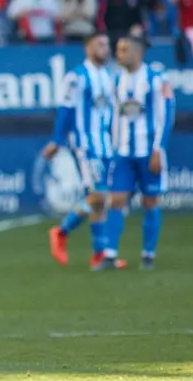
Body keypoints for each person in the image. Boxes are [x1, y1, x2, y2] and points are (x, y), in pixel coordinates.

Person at [43, 31, 126, 270]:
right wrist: (56, 141)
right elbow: (65, 110)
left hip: (106, 144)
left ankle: (99, 254)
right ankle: (61, 230)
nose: (105, 48)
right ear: (87, 47)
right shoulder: (77, 77)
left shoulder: (109, 75)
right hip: (85, 144)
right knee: (99, 194)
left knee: (100, 201)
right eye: (100, 44)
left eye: (106, 44)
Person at [95, 35, 175, 270]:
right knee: (116, 200)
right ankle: (110, 255)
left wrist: (158, 149)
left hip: (148, 151)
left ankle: (148, 255)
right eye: (117, 49)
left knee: (150, 201)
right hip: (123, 153)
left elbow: (166, 115)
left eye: (123, 50)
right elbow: (111, 115)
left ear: (138, 52)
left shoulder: (157, 79)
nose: (118, 54)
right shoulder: (115, 80)